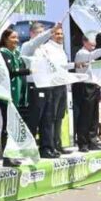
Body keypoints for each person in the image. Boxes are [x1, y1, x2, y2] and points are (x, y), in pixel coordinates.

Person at [73, 34, 101, 152]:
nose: (95, 44)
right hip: (84, 86)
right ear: (84, 42)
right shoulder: (82, 53)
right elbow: (94, 54)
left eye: (95, 42)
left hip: (93, 86)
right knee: (85, 116)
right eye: (92, 42)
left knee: (93, 116)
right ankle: (83, 143)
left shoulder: (91, 57)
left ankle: (92, 141)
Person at [20, 21, 56, 157]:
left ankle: (46, 148)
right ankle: (29, 149)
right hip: (33, 86)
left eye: (43, 32)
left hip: (46, 85)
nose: (42, 36)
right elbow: (37, 41)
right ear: (31, 33)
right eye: (39, 33)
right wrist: (51, 31)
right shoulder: (28, 46)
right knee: (33, 119)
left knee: (47, 119)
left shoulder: (45, 49)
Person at [0, 28, 31, 167]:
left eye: (17, 37)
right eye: (13, 38)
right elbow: (10, 71)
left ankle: (13, 154)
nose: (16, 40)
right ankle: (6, 157)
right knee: (8, 126)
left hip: (18, 95)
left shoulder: (16, 53)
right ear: (5, 39)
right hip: (7, 95)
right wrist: (29, 70)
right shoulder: (2, 53)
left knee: (14, 126)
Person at [39, 24, 70, 157]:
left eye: (61, 34)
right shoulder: (47, 48)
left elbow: (63, 66)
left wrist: (75, 65)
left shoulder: (61, 49)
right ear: (51, 35)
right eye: (57, 34)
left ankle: (58, 144)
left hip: (62, 84)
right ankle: (50, 145)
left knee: (59, 116)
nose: (60, 36)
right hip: (52, 85)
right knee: (51, 117)